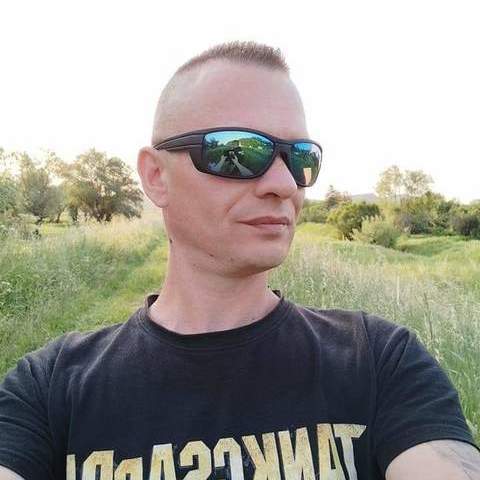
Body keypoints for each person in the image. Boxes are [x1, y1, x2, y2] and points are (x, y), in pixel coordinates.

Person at [0, 41, 479, 480]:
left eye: (301, 158)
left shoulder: (380, 361)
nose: (285, 185)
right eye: (237, 153)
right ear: (156, 176)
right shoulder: (48, 390)